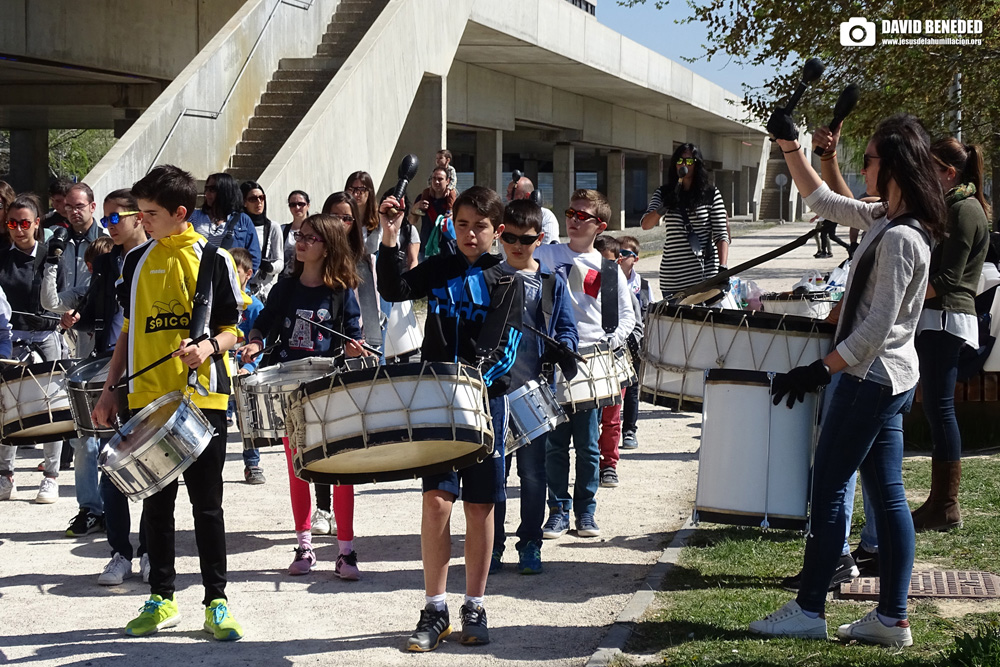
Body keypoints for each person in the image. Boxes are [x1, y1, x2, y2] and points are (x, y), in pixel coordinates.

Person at [749, 112, 945, 649]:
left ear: (896, 165)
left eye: (869, 159)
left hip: (871, 379)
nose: (862, 167)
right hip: (886, 379)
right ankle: (891, 619)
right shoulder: (888, 217)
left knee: (830, 485)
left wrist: (819, 368)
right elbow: (825, 203)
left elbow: (876, 329)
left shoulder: (904, 237)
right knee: (888, 497)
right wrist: (792, 148)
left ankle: (811, 607)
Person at [92, 164, 248, 640]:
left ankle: (216, 602)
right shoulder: (135, 261)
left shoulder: (213, 259)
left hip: (202, 398)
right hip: (146, 396)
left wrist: (206, 348)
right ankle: (161, 598)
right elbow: (126, 332)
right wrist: (109, 389)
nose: (143, 220)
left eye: (151, 213)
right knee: (155, 507)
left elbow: (234, 329)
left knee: (208, 505)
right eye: (138, 212)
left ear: (181, 213)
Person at [378, 185, 524, 651]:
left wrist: (471, 385)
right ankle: (435, 607)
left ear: (497, 231)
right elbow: (393, 288)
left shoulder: (509, 279)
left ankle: (474, 604)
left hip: (484, 405)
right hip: (435, 405)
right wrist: (390, 235)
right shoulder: (439, 267)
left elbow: (506, 351)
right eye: (461, 224)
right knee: (436, 501)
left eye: (479, 226)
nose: (469, 234)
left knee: (480, 507)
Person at [240, 214, 367, 579]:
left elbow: (353, 334)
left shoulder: (342, 290)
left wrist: (355, 348)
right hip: (289, 388)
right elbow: (264, 323)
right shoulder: (285, 287)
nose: (301, 242)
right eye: (300, 235)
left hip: (331, 388)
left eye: (311, 238)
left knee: (342, 470)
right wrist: (255, 342)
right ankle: (305, 545)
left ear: (327, 246)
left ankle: (345, 551)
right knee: (298, 470)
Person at [534, 190, 636, 539]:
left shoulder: (609, 270)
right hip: (552, 361)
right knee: (555, 444)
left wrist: (607, 344)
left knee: (590, 445)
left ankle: (586, 512)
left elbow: (626, 318)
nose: (574, 220)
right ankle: (558, 511)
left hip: (592, 363)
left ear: (600, 225)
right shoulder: (546, 255)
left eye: (582, 216)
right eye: (570, 213)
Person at [63, 190, 152, 584]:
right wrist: (76, 318)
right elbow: (98, 312)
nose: (110, 225)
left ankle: (151, 549)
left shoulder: (156, 256)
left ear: (138, 217)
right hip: (110, 370)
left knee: (150, 468)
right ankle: (120, 552)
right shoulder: (106, 261)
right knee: (112, 465)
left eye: (117, 218)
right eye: (109, 219)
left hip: (149, 371)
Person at [492, 199, 578, 575]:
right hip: (493, 393)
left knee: (533, 476)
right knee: (493, 475)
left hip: (534, 392)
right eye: (508, 237)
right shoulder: (490, 277)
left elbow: (566, 328)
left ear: (539, 239)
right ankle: (491, 546)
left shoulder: (551, 282)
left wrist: (567, 349)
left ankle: (530, 543)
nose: (516, 245)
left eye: (524, 239)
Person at [909, 138, 991, 533]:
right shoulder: (957, 206)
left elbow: (947, 279)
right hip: (940, 318)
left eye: (931, 169)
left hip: (944, 320)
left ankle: (946, 504)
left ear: (949, 173)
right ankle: (941, 503)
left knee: (940, 409)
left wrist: (901, 294)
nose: (925, 175)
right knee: (937, 408)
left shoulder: (963, 210)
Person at [0, 193, 65, 503]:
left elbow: (62, 296)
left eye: (24, 223)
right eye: (12, 223)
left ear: (37, 223)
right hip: (11, 340)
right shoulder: (2, 256)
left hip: (47, 336)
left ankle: (50, 476)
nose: (18, 229)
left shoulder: (51, 255)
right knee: (7, 408)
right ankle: (5, 475)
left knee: (52, 406)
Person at [640, 143, 730, 296]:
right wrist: (664, 206)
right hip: (673, 278)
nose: (684, 164)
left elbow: (721, 234)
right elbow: (646, 225)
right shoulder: (663, 192)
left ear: (697, 164)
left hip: (704, 275)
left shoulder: (710, 193)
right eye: (680, 161)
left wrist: (723, 267)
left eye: (689, 161)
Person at [229, 247, 266, 485]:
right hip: (221, 370)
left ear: (248, 274)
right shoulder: (218, 304)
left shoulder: (254, 307)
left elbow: (261, 342)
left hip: (245, 371)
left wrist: (250, 368)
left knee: (248, 419)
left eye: (236, 272)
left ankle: (252, 464)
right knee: (216, 421)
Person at [617, 235, 652, 450]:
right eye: (617, 254)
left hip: (635, 346)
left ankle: (629, 430)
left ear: (635, 259)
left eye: (625, 254)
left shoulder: (644, 286)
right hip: (614, 344)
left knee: (632, 389)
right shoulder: (607, 281)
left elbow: (650, 316)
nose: (620, 258)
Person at [190, 173, 261, 273]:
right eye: (206, 189)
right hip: (198, 279)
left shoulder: (243, 221)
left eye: (212, 189)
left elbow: (254, 257)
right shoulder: (193, 217)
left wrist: (240, 281)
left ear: (225, 191)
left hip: (230, 281)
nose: (207, 193)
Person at [241, 181, 283, 300]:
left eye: (261, 197)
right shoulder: (238, 227)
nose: (259, 202)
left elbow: (280, 261)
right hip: (241, 286)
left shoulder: (273, 227)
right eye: (253, 199)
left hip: (263, 290)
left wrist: (269, 267)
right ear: (244, 202)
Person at [411, 166, 457, 259]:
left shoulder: (454, 202)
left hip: (447, 250)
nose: (436, 182)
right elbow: (412, 221)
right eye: (434, 178)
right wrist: (414, 209)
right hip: (426, 249)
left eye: (440, 179)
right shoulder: (422, 198)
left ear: (448, 181)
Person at [507, 175, 560, 244]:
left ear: (527, 196)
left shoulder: (545, 216)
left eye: (512, 194)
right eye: (508, 193)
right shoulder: (507, 216)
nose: (508, 197)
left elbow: (548, 248)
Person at [346, 171, 382, 255]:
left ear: (369, 192)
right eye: (351, 190)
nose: (355, 194)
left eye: (361, 190)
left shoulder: (379, 217)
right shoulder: (341, 217)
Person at [282, 190, 310, 276]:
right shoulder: (282, 230)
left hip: (308, 277)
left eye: (301, 204)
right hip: (286, 279)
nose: (297, 207)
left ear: (308, 205)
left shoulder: (316, 230)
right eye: (293, 205)